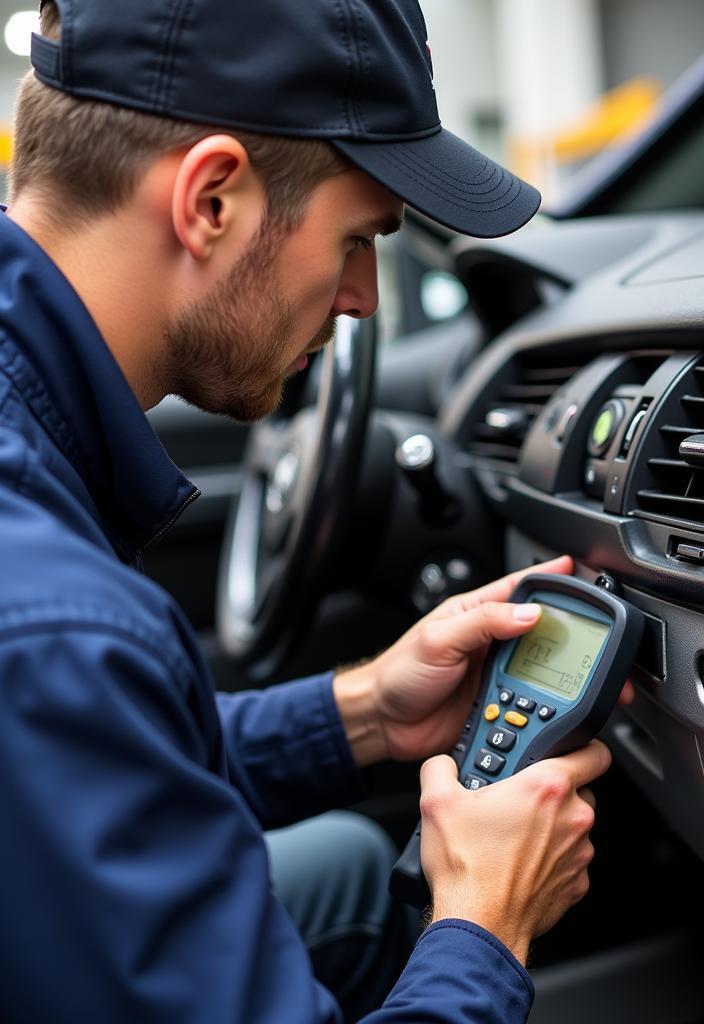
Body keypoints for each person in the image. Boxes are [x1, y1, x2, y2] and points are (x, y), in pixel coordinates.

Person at [0, 1, 631, 1021]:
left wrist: (367, 712)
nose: (365, 298)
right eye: (357, 236)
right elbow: (66, 698)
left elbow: (96, 771)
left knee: (339, 861)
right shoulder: (52, 628)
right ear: (210, 199)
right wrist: (482, 924)